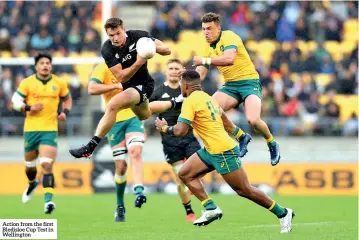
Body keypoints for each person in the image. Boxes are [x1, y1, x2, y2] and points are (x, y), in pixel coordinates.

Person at [155, 70, 294, 233]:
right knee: (185, 173)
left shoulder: (190, 101)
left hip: (223, 151)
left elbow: (180, 131)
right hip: (210, 150)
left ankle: (283, 213)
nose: (180, 88)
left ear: (185, 85)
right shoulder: (208, 99)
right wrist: (241, 135)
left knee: (245, 190)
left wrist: (165, 128)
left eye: (180, 85)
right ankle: (210, 208)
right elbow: (226, 122)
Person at [69, 17, 170, 158]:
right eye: (111, 35)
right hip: (128, 85)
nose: (115, 38)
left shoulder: (139, 36)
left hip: (144, 84)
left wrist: (150, 48)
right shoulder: (107, 49)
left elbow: (167, 50)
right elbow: (122, 77)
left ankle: (90, 147)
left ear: (124, 29)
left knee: (112, 105)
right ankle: (173, 102)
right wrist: (140, 61)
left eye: (118, 33)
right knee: (145, 114)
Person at [192, 12, 280, 165]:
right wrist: (187, 78)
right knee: (208, 110)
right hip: (230, 86)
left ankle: (272, 143)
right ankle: (241, 136)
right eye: (204, 29)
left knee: (253, 119)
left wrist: (204, 60)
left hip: (249, 83)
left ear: (218, 29)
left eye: (209, 29)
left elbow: (229, 59)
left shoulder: (229, 36)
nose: (206, 32)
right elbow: (201, 73)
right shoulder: (208, 47)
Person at [11, 52, 72, 214]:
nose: (45, 65)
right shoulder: (27, 83)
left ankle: (48, 202)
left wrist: (64, 112)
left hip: (49, 130)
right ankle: (32, 184)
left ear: (51, 66)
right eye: (42, 63)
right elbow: (15, 102)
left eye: (48, 63)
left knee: (46, 164)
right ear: (36, 66)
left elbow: (67, 99)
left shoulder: (59, 83)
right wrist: (29, 108)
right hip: (31, 130)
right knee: (30, 169)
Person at [149, 59, 200, 222]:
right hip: (170, 140)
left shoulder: (188, 89)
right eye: (170, 68)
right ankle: (189, 211)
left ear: (182, 71)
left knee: (200, 167)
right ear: (165, 70)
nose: (172, 71)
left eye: (176, 68)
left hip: (189, 136)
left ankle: (194, 188)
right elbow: (148, 109)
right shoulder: (158, 91)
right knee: (181, 179)